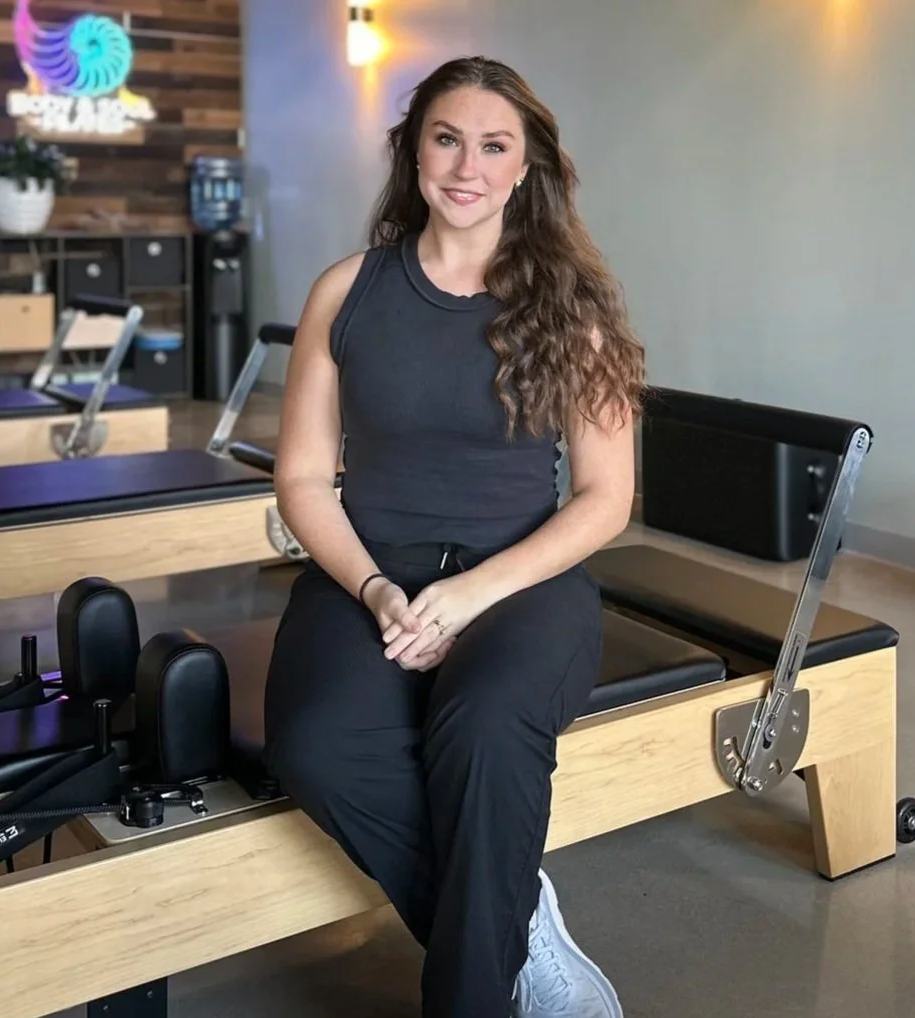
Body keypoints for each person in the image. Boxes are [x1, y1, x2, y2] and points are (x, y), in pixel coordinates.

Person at [263, 55, 644, 1018]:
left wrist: (473, 594)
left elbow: (606, 498)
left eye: (494, 145)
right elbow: (302, 478)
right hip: (370, 576)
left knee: (482, 729)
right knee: (316, 748)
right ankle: (510, 914)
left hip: (523, 585)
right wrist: (376, 591)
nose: (467, 166)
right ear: (413, 153)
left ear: (526, 166)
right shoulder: (346, 291)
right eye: (446, 139)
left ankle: (473, 988)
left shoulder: (573, 309)